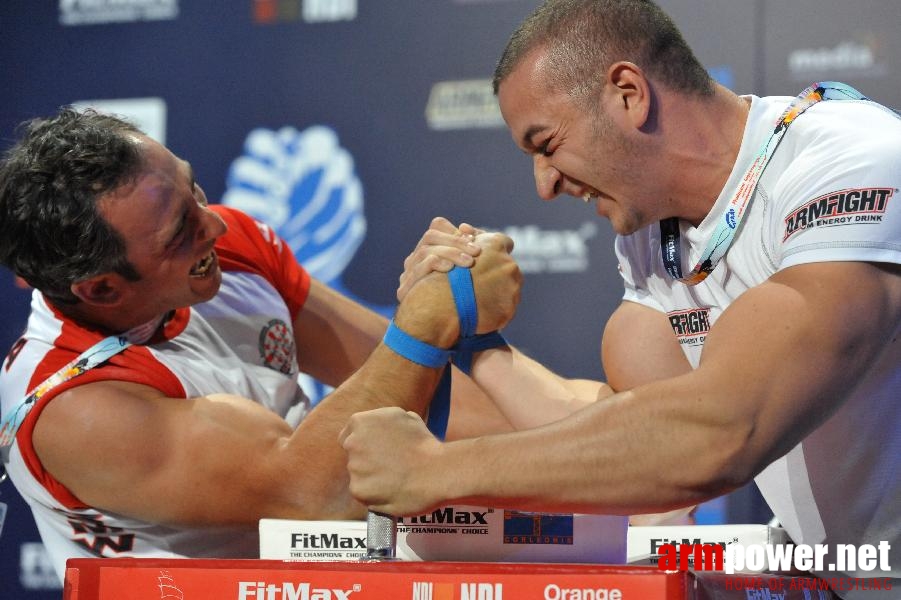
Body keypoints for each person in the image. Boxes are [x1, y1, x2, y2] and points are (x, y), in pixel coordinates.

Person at [339, 0, 900, 593]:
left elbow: (722, 431)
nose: (544, 184)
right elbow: (637, 437)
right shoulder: (652, 236)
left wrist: (437, 470)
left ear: (629, 93)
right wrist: (473, 336)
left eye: (547, 144)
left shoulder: (848, 159)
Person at [0, 108, 521, 579]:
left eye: (194, 188)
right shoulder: (73, 407)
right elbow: (312, 495)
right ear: (102, 289)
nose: (217, 224)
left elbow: (428, 389)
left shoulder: (228, 249)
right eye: (181, 231)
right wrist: (427, 318)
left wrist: (573, 442)